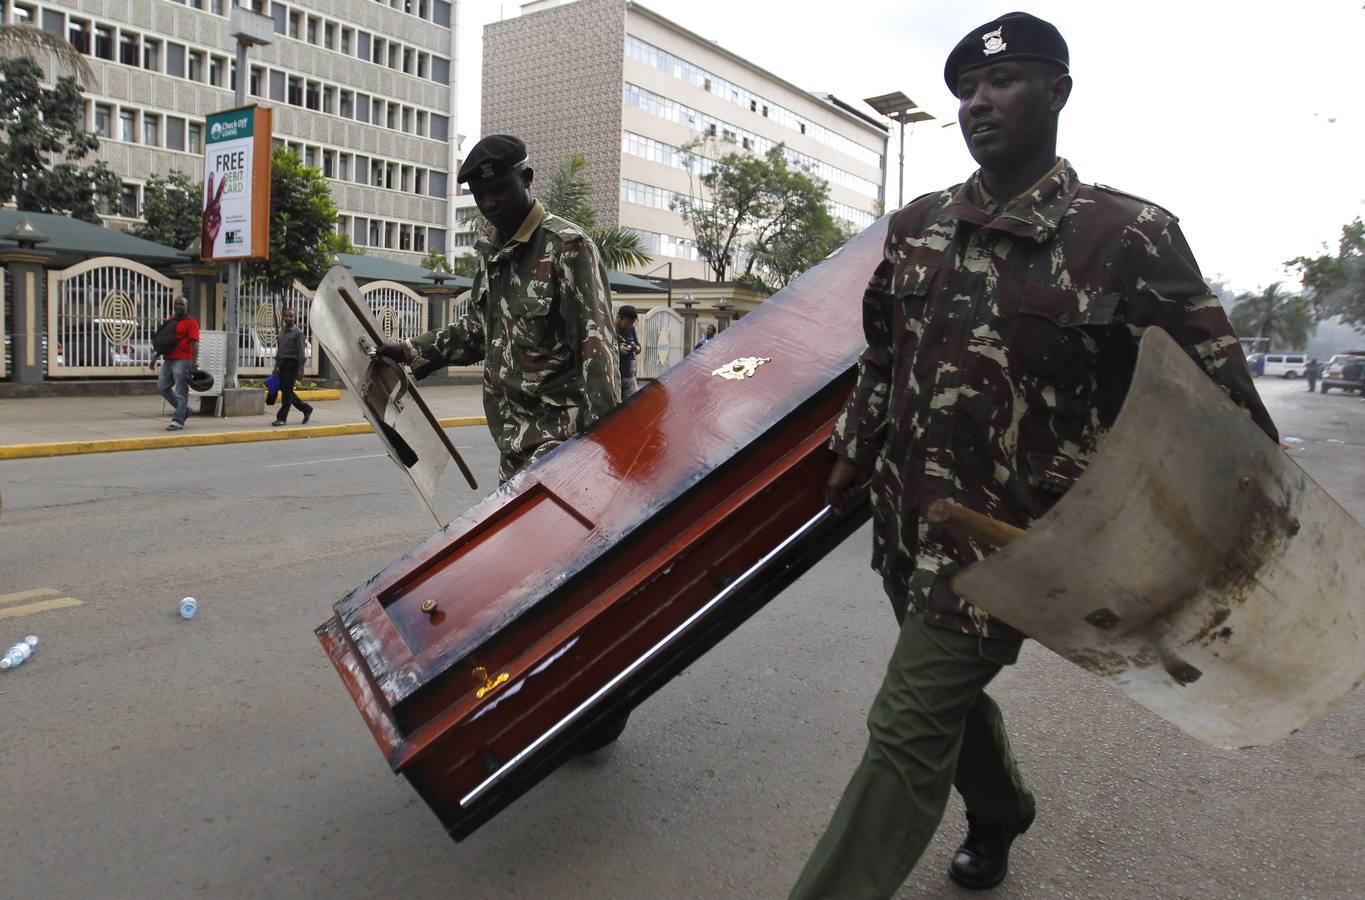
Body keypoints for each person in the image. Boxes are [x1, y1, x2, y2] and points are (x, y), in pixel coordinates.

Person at [790, 13, 1276, 899]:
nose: (977, 102)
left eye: (1002, 81)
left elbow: (1220, 402)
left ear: (1057, 92)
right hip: (908, 517)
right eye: (966, 90)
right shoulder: (919, 226)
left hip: (1016, 540)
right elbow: (883, 355)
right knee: (938, 694)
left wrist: (1242, 545)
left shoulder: (1126, 237)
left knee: (906, 726)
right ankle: (1002, 808)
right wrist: (852, 452)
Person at [376, 134, 620, 482]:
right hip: (513, 442)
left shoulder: (567, 248)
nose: (490, 203)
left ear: (527, 178)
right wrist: (410, 350)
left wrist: (603, 451)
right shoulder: (493, 253)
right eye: (480, 195)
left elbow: (597, 352)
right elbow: (477, 331)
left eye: (500, 190)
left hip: (561, 444)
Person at [149, 296, 202, 431]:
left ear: (187, 306)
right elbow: (165, 341)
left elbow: (195, 345)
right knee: (162, 387)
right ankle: (184, 410)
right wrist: (155, 357)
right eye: (177, 304)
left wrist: (194, 364)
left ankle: (178, 420)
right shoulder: (171, 321)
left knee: (181, 391)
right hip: (168, 359)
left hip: (183, 360)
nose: (179, 306)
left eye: (182, 304)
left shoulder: (191, 323)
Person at [272, 307, 313, 426]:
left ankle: (282, 418)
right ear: (283, 317)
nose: (288, 318)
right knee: (287, 391)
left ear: (295, 318)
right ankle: (306, 409)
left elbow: (301, 352)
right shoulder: (282, 332)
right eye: (286, 316)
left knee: (287, 393)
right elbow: (280, 350)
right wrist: (276, 367)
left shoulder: (298, 333)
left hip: (292, 365)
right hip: (282, 364)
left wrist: (301, 369)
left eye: (291, 316)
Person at [616, 305, 642, 397]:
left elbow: (638, 347)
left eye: (631, 324)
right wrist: (618, 349)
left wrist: (635, 348)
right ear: (619, 318)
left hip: (630, 376)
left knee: (634, 402)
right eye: (627, 324)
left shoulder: (631, 329)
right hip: (615, 377)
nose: (629, 326)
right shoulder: (610, 329)